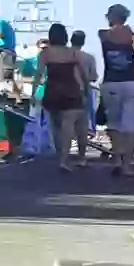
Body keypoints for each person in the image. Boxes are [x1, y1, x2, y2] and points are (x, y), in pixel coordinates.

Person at [99, 3, 134, 177]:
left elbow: (111, 35)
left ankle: (117, 158)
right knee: (130, 126)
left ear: (111, 17)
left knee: (113, 123)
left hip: (111, 83)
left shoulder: (104, 35)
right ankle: (128, 163)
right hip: (132, 83)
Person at [35, 24, 89, 170]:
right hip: (71, 91)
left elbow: (39, 74)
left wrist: (34, 93)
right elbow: (84, 75)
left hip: (53, 91)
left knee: (56, 127)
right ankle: (70, 159)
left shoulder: (45, 54)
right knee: (71, 126)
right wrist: (86, 91)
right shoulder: (72, 53)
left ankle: (61, 156)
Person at [70, 29, 100, 161]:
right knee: (82, 127)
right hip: (83, 92)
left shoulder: (63, 56)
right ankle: (81, 157)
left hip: (64, 92)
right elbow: (93, 77)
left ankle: (63, 158)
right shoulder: (88, 58)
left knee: (64, 126)